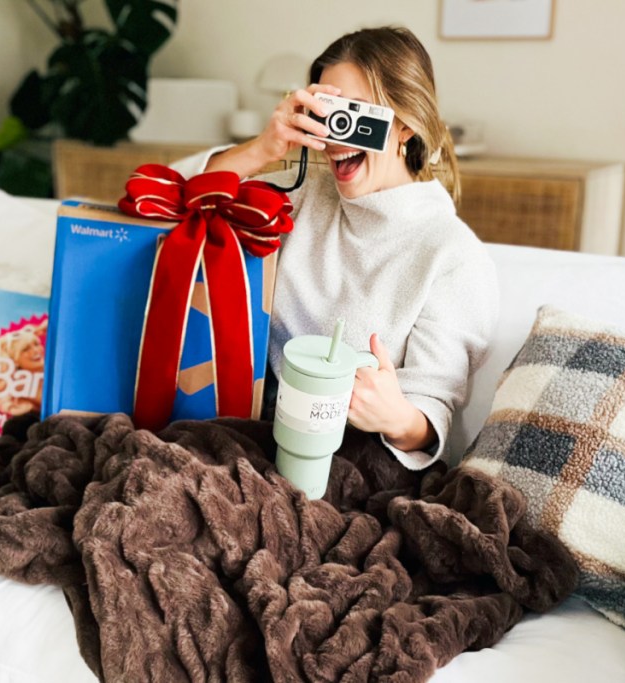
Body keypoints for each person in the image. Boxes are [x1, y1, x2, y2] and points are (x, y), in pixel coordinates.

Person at [173, 26, 499, 469]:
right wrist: (263, 149)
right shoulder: (305, 194)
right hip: (253, 433)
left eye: (357, 114)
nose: (337, 137)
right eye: (329, 113)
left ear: (404, 125)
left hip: (356, 460)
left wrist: (394, 415)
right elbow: (168, 201)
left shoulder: (451, 253)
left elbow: (429, 416)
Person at [0, 321, 48, 417]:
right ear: (14, 360)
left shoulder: (57, 370)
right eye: (25, 349)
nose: (36, 351)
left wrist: (38, 329)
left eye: (36, 344)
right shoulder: (17, 385)